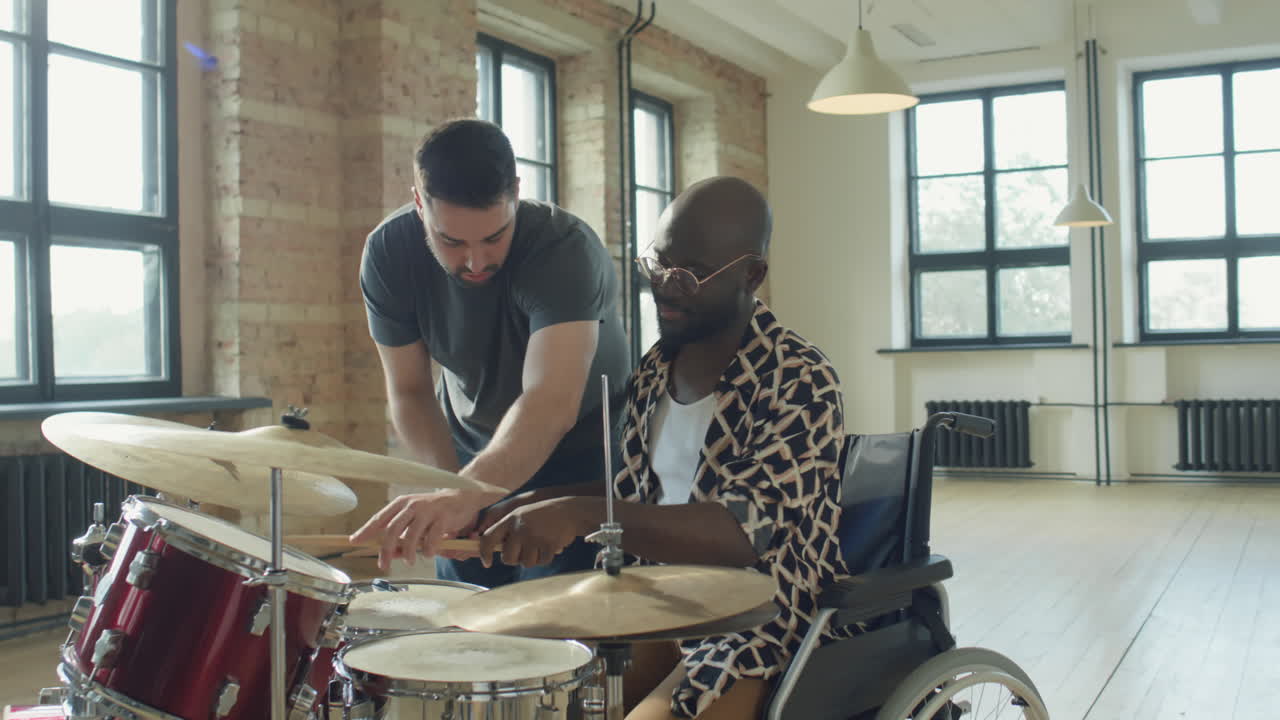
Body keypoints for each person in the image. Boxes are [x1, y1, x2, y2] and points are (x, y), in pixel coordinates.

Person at [472, 176, 851, 719]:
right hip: (662, 597)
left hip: (765, 621)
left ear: (752, 275)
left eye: (692, 275)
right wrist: (529, 503)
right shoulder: (655, 369)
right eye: (658, 263)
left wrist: (579, 515)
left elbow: (743, 532)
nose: (666, 288)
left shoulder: (800, 380)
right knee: (561, 706)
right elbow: (633, 490)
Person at [350, 119, 631, 587]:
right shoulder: (387, 253)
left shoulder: (564, 250)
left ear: (516, 194)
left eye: (494, 237)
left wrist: (468, 493)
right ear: (419, 203)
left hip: (582, 459)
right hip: (467, 449)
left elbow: (551, 401)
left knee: (557, 627)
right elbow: (409, 391)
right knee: (471, 621)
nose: (476, 262)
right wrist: (453, 489)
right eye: (452, 241)